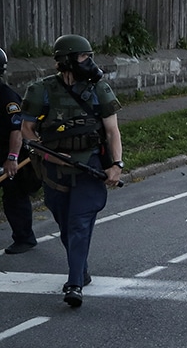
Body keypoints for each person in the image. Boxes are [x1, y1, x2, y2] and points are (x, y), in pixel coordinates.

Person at [20, 34, 123, 308]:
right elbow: (27, 130)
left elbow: (112, 131)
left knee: (79, 223)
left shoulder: (99, 89)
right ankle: (81, 268)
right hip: (54, 169)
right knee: (65, 225)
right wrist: (48, 154)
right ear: (66, 60)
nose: (88, 62)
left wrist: (117, 164)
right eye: (83, 57)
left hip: (89, 166)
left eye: (89, 56)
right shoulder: (41, 90)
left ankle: (74, 283)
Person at [2, 46, 38, 255]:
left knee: (14, 198)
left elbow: (16, 129)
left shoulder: (7, 97)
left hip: (8, 155)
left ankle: (24, 238)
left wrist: (12, 157)